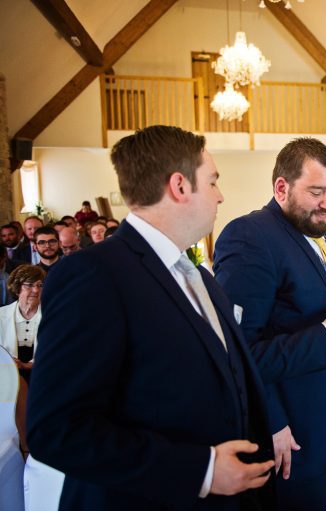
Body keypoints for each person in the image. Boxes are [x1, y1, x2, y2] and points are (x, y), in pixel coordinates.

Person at [27, 125, 277, 510]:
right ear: (179, 185)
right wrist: (201, 470)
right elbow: (57, 429)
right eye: (212, 182)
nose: (220, 195)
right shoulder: (94, 275)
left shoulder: (200, 279)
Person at [213, 137, 326, 510]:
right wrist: (272, 423)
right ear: (282, 187)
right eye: (316, 191)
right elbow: (239, 348)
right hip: (289, 428)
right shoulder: (250, 236)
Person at [0, 264, 45, 382]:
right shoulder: (1, 315)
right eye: (29, 285)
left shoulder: (52, 316)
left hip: (42, 377)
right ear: (17, 287)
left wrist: (28, 365)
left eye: (40, 285)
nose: (36, 290)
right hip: (6, 379)